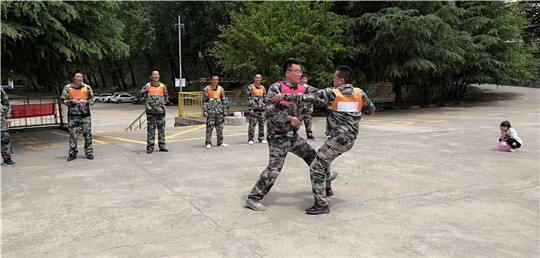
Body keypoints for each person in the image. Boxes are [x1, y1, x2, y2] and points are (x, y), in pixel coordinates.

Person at [271, 65, 375, 214]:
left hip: (338, 140)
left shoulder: (332, 93)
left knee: (316, 166)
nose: (333, 81)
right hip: (350, 139)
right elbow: (371, 110)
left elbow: (305, 98)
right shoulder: (360, 93)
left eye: (334, 79)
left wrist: (282, 96)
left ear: (341, 80)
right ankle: (327, 189)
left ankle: (321, 205)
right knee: (322, 158)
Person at [244, 59, 335, 212]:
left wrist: (338, 90)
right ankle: (253, 198)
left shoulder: (303, 87)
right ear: (288, 73)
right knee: (274, 168)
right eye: (297, 71)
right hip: (278, 136)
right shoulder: (276, 88)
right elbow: (270, 111)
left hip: (293, 136)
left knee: (314, 157)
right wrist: (289, 119)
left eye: (300, 71)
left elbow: (320, 93)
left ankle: (325, 180)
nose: (300, 74)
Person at [61, 70, 95, 161]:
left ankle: (89, 152)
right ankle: (72, 153)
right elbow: (63, 99)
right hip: (73, 116)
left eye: (81, 77)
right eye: (78, 77)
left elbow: (93, 99)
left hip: (85, 116)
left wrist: (87, 101)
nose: (80, 78)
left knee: (88, 135)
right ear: (74, 78)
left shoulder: (87, 87)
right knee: (73, 135)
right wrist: (71, 102)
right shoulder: (67, 88)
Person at [140, 69, 169, 154]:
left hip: (161, 112)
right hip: (151, 112)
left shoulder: (163, 86)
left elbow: (166, 97)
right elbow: (141, 96)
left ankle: (162, 146)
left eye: (157, 74)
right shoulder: (147, 86)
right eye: (154, 75)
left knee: (161, 129)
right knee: (151, 130)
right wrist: (149, 103)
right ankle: (150, 147)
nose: (156, 76)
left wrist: (162, 104)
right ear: (151, 76)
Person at [203, 75, 228, 149]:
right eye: (214, 79)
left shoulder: (221, 89)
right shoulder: (206, 89)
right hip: (210, 111)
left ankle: (220, 142)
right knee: (209, 127)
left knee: (220, 127)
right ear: (211, 80)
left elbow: (223, 101)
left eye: (216, 79)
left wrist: (224, 111)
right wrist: (205, 111)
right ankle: (208, 142)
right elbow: (204, 101)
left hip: (219, 111)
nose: (215, 81)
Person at [246, 73, 267, 145]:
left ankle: (261, 138)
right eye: (257, 77)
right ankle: (250, 139)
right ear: (254, 78)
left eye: (259, 78)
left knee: (262, 125)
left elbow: (265, 99)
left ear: (261, 79)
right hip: (254, 109)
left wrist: (265, 109)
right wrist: (251, 108)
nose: (258, 79)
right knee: (252, 125)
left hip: (262, 109)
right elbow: (249, 98)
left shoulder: (263, 88)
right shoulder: (250, 87)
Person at [1, 87, 16, 166]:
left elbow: (6, 102)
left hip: (1, 121)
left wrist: (8, 117)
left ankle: (7, 158)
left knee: (4, 139)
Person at [299, 73, 315, 140]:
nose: (304, 80)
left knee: (308, 120)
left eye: (305, 79)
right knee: (297, 120)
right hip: (299, 107)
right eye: (303, 79)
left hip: (307, 107)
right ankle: (294, 134)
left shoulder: (309, 88)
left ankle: (309, 134)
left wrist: (312, 107)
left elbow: (312, 98)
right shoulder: (297, 87)